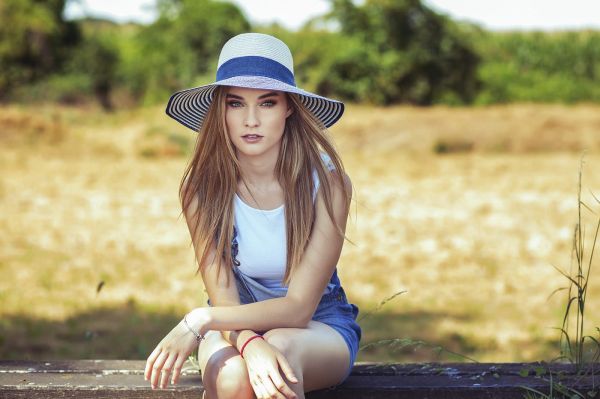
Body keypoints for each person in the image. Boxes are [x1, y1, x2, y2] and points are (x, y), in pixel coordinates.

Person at [144, 32, 361, 399]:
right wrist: (247, 343)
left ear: (288, 107)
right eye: (235, 104)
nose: (250, 120)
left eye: (267, 103)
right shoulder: (201, 189)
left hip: (317, 323)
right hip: (233, 322)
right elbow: (225, 299)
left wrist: (200, 319)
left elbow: (297, 309)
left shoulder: (326, 182)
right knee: (233, 379)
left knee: (280, 354)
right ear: (220, 110)